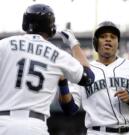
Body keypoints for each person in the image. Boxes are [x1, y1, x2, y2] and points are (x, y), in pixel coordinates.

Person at [0, 3, 94, 135]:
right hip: (34, 125)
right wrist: (74, 43)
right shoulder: (58, 55)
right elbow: (88, 78)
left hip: (3, 123)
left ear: (25, 24)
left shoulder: (5, 44)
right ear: (51, 27)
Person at [59, 21, 129, 135]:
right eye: (103, 36)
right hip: (98, 132)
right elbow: (70, 109)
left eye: (113, 37)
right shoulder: (84, 71)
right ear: (96, 42)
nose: (108, 39)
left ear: (117, 43)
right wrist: (62, 83)